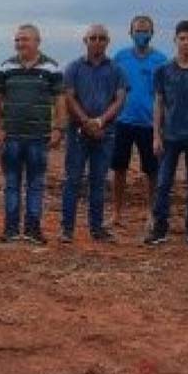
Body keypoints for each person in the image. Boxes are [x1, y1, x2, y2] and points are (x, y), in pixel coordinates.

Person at [0, 23, 62, 244]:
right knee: (11, 183)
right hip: (11, 137)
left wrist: (58, 128)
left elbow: (60, 100)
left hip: (38, 137)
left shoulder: (52, 68)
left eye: (25, 39)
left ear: (37, 41)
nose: (20, 43)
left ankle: (33, 229)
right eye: (17, 40)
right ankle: (11, 229)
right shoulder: (5, 68)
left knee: (36, 184)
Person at [144, 20, 188, 246]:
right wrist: (156, 135)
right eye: (182, 38)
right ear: (175, 40)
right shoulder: (163, 70)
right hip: (169, 137)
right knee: (163, 184)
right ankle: (160, 229)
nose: (186, 42)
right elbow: (159, 103)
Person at [59, 24, 127, 243]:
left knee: (98, 181)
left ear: (107, 42)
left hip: (105, 133)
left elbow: (120, 99)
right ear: (85, 40)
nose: (97, 41)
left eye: (101, 38)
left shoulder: (116, 69)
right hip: (78, 132)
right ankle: (67, 230)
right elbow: (69, 97)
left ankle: (96, 229)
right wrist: (87, 122)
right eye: (93, 38)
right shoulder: (73, 68)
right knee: (73, 180)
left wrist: (100, 121)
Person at [112, 16, 168, 229]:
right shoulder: (120, 57)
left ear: (152, 33)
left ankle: (150, 213)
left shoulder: (161, 60)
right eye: (137, 30)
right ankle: (116, 213)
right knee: (119, 168)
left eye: (145, 31)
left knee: (152, 171)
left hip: (149, 124)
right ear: (130, 32)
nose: (141, 35)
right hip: (122, 122)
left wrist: (161, 126)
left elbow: (164, 94)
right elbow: (113, 87)